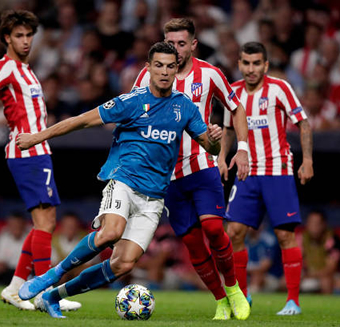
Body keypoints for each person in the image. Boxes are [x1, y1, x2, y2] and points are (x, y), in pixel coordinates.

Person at [15, 42, 229, 319]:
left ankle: (53, 296)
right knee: (111, 232)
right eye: (159, 65)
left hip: (154, 197)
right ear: (148, 68)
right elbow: (80, 120)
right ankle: (51, 275)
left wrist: (214, 141)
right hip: (124, 181)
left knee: (123, 264)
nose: (164, 72)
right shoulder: (131, 102)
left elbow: (209, 147)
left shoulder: (184, 107)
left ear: (177, 70)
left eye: (170, 66)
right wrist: (35, 137)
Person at [133, 18, 250, 320]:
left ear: (194, 45)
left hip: (202, 165)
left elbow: (236, 108)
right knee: (193, 245)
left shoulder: (210, 74)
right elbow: (131, 113)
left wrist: (243, 148)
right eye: (170, 43)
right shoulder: (147, 76)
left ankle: (234, 287)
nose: (176, 49)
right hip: (168, 177)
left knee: (213, 228)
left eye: (182, 44)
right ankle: (221, 300)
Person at [0, 9, 80, 312]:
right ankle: (44, 293)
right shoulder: (6, 66)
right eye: (18, 35)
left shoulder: (26, 68)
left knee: (42, 223)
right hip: (26, 152)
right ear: (6, 38)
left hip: (40, 152)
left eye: (28, 35)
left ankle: (16, 287)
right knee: (45, 223)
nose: (25, 41)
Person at [219, 42, 314, 315]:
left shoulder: (280, 88)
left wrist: (307, 160)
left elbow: (303, 123)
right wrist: (223, 158)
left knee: (285, 235)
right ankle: (243, 297)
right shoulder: (232, 93)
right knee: (234, 233)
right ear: (239, 64)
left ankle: (292, 301)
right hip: (246, 172)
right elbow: (227, 130)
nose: (251, 69)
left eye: (256, 63)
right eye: (246, 63)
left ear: (266, 65)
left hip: (278, 170)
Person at [300, 210, 340, 294]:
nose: (314, 226)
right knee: (286, 281)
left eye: (317, 223)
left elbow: (331, 268)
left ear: (324, 224)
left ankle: (327, 306)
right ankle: (291, 305)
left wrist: (312, 275)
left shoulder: (332, 239)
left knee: (326, 281)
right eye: (311, 222)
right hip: (307, 273)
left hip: (328, 275)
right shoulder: (301, 239)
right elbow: (295, 262)